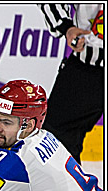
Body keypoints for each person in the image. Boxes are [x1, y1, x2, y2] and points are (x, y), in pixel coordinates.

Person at [39, 4, 104, 163]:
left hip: (89, 67)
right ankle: (69, 188)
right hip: (88, 67)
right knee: (55, 141)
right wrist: (66, 27)